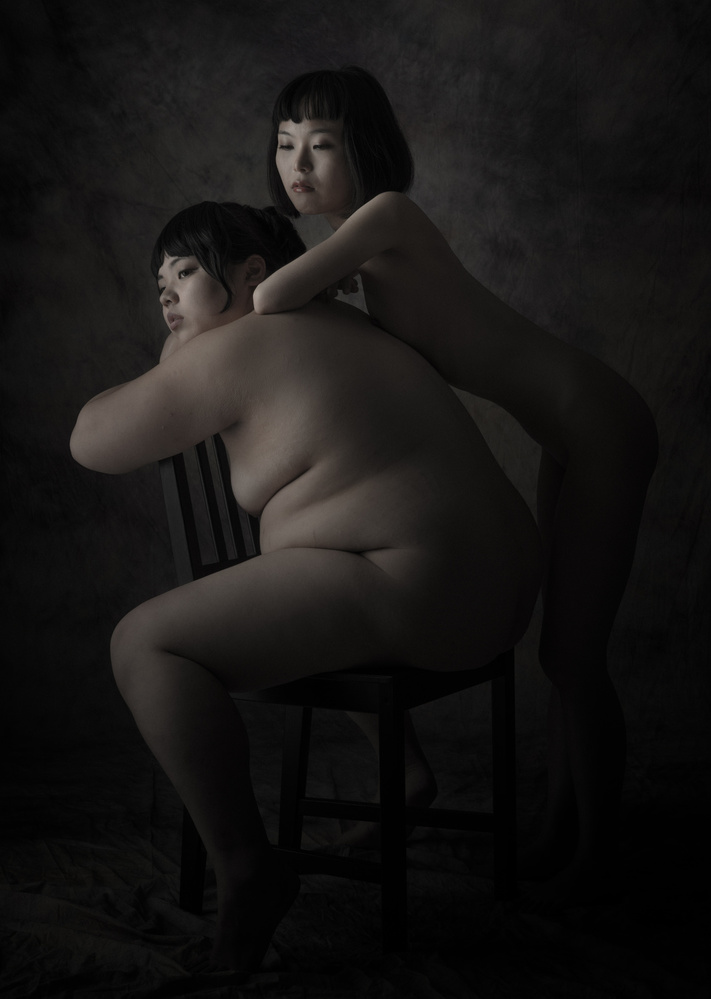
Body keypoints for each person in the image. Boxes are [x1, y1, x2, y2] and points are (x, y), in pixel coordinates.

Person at [70, 201, 542, 971]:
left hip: (422, 585)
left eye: (184, 273)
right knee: (305, 570)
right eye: (158, 282)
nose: (166, 293)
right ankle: (408, 776)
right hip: (498, 585)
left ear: (252, 273)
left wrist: (175, 352)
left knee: (143, 642)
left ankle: (247, 867)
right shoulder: (338, 322)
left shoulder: (243, 342)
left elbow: (90, 440)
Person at [255, 66, 659, 910]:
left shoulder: (387, 215)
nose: (297, 164)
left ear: (366, 148)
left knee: (573, 658)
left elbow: (268, 294)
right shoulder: (366, 247)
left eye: (320, 144)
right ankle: (558, 830)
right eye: (286, 144)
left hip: (600, 422)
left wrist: (306, 274)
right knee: (562, 655)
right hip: (568, 433)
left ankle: (598, 855)